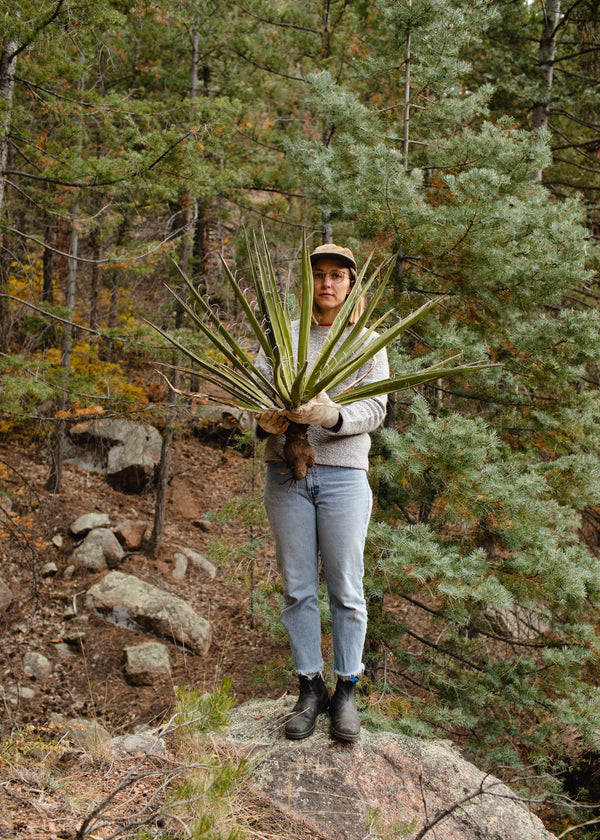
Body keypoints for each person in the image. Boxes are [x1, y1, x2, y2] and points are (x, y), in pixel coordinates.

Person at [255, 242, 389, 742]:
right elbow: (257, 398)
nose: (327, 283)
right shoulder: (282, 339)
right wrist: (267, 423)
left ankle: (347, 689)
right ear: (307, 282)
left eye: (338, 275)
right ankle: (310, 687)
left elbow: (375, 410)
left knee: (347, 588)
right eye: (319, 274)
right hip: (285, 475)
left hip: (344, 476)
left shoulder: (369, 341)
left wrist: (328, 416)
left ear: (351, 285)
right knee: (297, 587)